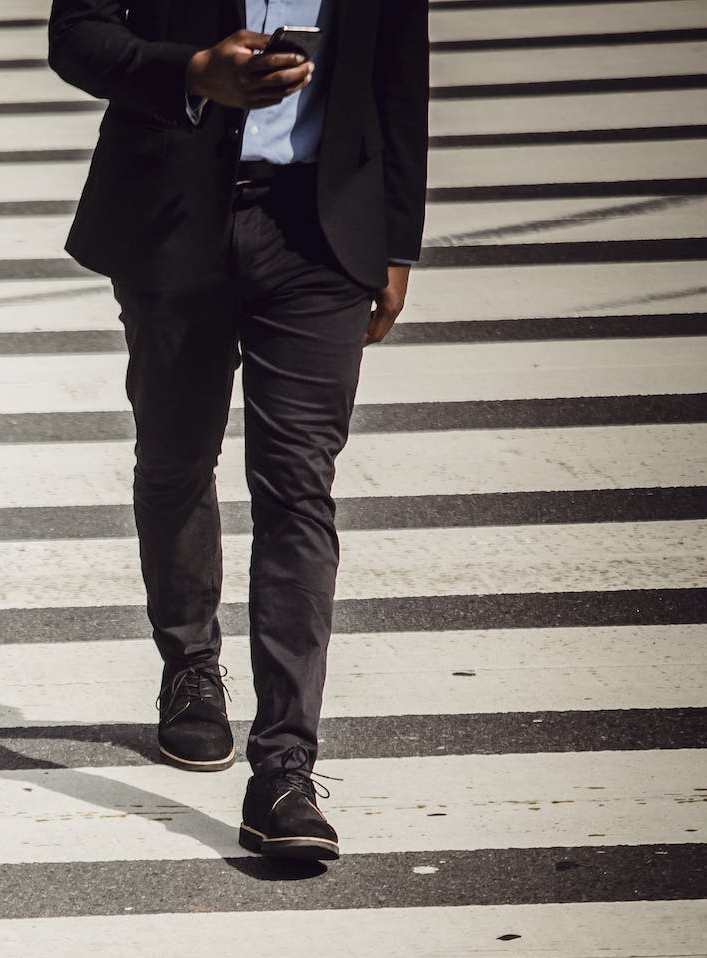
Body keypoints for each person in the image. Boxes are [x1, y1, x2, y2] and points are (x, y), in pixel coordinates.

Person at [48, 0, 429, 860]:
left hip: (322, 231)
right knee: (177, 454)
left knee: (298, 487)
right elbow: (76, 35)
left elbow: (400, 69)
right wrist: (190, 73)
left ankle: (285, 767)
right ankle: (189, 661)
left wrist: (397, 237)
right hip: (170, 215)